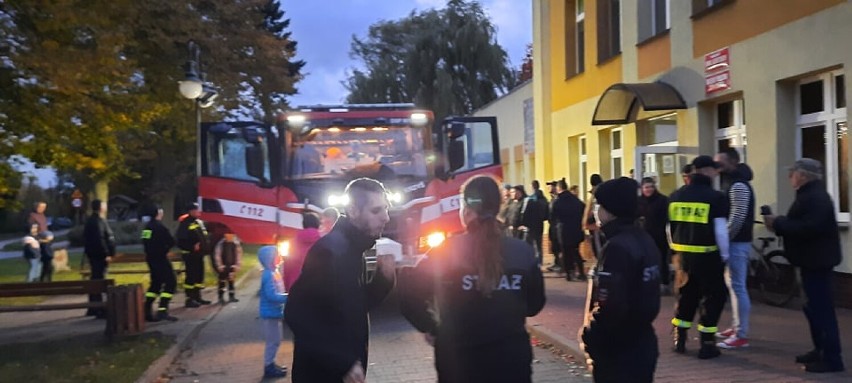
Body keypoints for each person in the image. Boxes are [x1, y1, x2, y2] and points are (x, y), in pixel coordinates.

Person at [400, 175, 545, 383]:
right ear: (498, 207)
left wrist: (431, 327)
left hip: (459, 361)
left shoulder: (446, 251)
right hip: (511, 362)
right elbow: (534, 305)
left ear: (466, 210)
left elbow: (408, 292)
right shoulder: (522, 252)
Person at [285, 178, 396, 383]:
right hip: (321, 375)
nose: (386, 217)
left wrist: (383, 280)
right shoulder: (330, 252)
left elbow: (353, 307)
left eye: (386, 209)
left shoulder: (354, 250)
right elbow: (296, 313)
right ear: (353, 211)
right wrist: (343, 362)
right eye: (376, 211)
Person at [764, 158, 844, 373]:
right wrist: (780, 223)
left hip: (817, 262)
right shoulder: (810, 195)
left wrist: (779, 222)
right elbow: (804, 225)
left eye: (792, 172)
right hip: (811, 261)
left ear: (803, 175)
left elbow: (810, 227)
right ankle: (820, 350)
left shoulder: (815, 197)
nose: (790, 176)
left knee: (821, 310)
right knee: (813, 309)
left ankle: (831, 358)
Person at [582, 177, 661, 383]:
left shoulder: (617, 248)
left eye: (599, 205)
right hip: (642, 341)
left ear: (610, 210)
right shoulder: (644, 239)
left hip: (618, 349)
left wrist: (590, 336)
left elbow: (610, 307)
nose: (595, 211)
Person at [667, 156, 730, 359]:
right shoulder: (716, 197)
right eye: (714, 169)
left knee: (686, 296)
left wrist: (675, 250)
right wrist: (725, 255)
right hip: (708, 256)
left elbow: (669, 229)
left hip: (682, 258)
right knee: (714, 297)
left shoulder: (675, 195)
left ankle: (680, 339)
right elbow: (720, 230)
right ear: (706, 171)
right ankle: (707, 343)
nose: (716, 173)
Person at [714, 148, 755, 350]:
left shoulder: (738, 185)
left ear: (733, 163)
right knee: (733, 285)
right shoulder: (730, 181)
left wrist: (724, 240)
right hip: (735, 241)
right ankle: (736, 327)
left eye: (720, 164)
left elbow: (737, 217)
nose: (717, 168)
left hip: (737, 242)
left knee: (737, 286)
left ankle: (741, 334)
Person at [141, 205, 178, 322]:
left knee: (155, 284)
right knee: (170, 282)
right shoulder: (160, 227)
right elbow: (171, 241)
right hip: (161, 259)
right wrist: (165, 250)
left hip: (151, 260)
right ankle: (163, 310)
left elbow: (145, 243)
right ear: (158, 214)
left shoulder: (147, 228)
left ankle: (146, 310)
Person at [258, 245, 289, 379]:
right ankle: (268, 367)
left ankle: (271, 363)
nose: (279, 257)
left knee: (276, 340)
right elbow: (271, 295)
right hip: (270, 314)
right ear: (269, 258)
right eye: (276, 255)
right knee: (272, 341)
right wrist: (288, 297)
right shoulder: (268, 275)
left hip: (275, 312)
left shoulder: (274, 272)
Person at [638, 177, 671, 293]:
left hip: (660, 235)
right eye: (646, 187)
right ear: (642, 188)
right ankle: (647, 283)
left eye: (651, 187)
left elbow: (667, 218)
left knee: (661, 259)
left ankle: (664, 283)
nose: (649, 190)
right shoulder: (638, 202)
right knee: (645, 260)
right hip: (643, 236)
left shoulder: (662, 200)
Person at [84, 199, 115, 318]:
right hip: (99, 255)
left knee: (95, 278)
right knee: (99, 280)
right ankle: (99, 308)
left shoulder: (91, 221)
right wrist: (107, 253)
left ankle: (94, 307)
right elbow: (101, 239)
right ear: (101, 207)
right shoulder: (98, 222)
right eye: (104, 205)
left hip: (93, 255)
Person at [176, 202, 212, 307]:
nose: (198, 211)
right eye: (196, 210)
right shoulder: (185, 223)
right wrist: (192, 247)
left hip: (199, 255)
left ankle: (197, 297)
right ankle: (189, 299)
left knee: (199, 276)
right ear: (191, 211)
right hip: (190, 255)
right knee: (191, 277)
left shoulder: (199, 222)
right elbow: (180, 241)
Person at [552, 179, 586, 281]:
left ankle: (569, 273)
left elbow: (553, 217)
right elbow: (583, 212)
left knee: (566, 253)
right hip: (576, 230)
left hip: (563, 231)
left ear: (558, 189)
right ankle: (581, 272)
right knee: (576, 251)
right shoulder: (576, 200)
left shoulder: (557, 202)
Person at [284, 212, 321, 291]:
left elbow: (288, 265)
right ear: (318, 224)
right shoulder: (324, 241)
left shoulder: (292, 242)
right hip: (317, 287)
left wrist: (287, 287)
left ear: (303, 224)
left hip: (295, 285)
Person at [520, 180, 549, 265]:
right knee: (539, 245)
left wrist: (525, 223)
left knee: (529, 244)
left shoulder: (530, 199)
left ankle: (530, 261)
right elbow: (546, 213)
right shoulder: (544, 199)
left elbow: (526, 213)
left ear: (532, 187)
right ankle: (540, 262)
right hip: (540, 225)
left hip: (531, 225)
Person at [214, 232, 243, 304]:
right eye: (227, 235)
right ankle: (221, 297)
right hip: (223, 266)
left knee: (231, 281)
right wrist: (219, 265)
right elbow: (217, 255)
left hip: (232, 266)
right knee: (222, 281)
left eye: (231, 235)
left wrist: (237, 265)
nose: (229, 236)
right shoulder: (221, 244)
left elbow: (238, 255)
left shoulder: (235, 244)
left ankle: (231, 296)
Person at [583, 174, 605, 259]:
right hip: (605, 226)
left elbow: (589, 213)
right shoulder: (606, 191)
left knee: (599, 250)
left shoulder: (594, 196)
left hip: (597, 227)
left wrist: (586, 223)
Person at [545, 181, 563, 272]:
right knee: (554, 246)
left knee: (559, 246)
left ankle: (561, 264)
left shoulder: (559, 199)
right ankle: (556, 262)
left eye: (550, 186)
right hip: (552, 225)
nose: (548, 188)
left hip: (558, 226)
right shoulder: (552, 199)